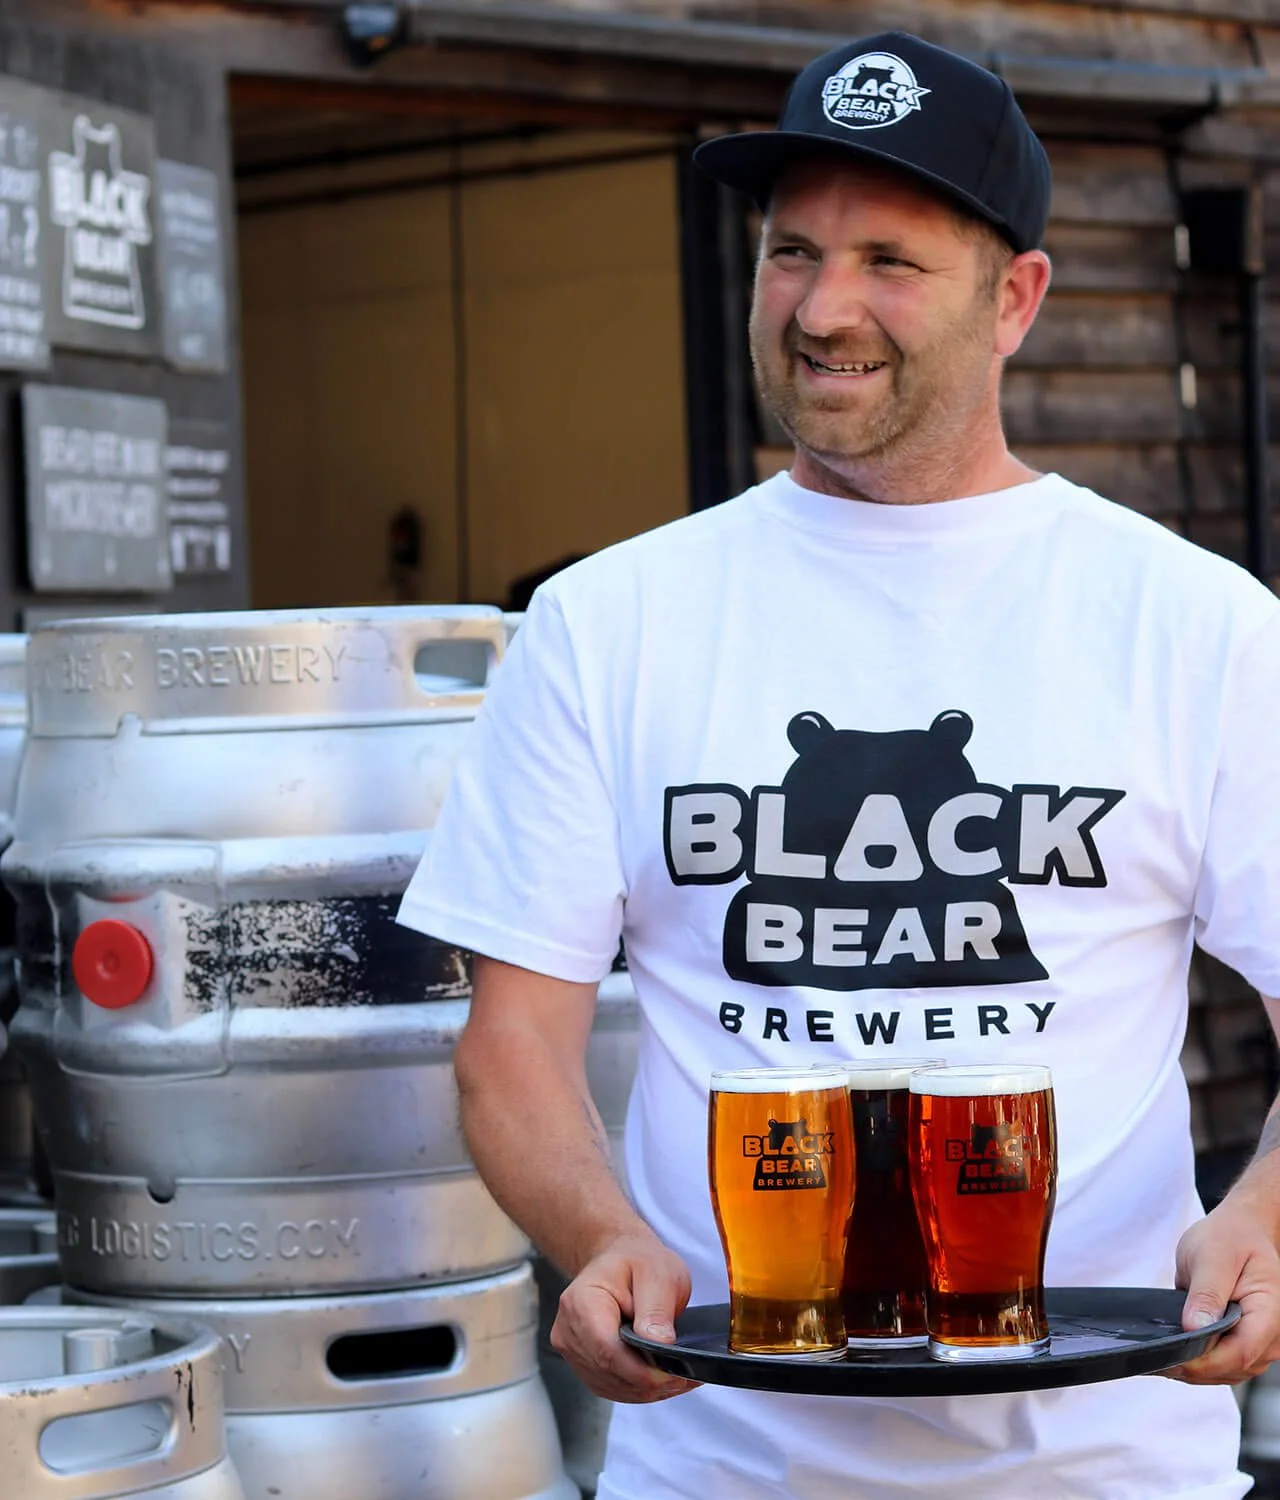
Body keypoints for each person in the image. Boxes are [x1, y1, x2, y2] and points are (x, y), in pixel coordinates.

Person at [396, 29, 1280, 1498]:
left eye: (890, 259)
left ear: (1017, 300)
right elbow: (512, 1045)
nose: (824, 307)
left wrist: (1265, 1216)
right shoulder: (608, 623)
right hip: (723, 1460)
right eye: (792, 252)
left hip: (1109, 1463)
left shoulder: (1195, 627)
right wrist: (604, 1239)